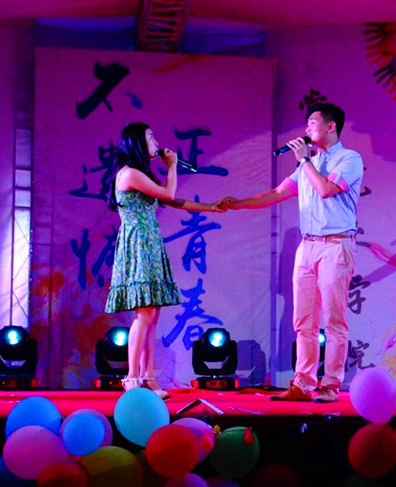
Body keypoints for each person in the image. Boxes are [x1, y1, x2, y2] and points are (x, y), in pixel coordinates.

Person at [221, 103, 363, 402]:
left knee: (334, 321)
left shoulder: (349, 159)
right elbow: (277, 193)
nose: (307, 128)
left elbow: (326, 189)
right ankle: (303, 384)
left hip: (336, 245)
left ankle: (330, 386)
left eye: (312, 122)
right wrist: (239, 203)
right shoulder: (307, 165)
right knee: (304, 321)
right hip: (307, 246)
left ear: (331, 126)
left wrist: (304, 160)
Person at [105, 122, 225, 399]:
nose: (156, 142)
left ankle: (148, 376)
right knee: (144, 313)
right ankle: (131, 376)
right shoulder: (130, 173)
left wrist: (211, 208)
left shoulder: (140, 175)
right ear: (137, 142)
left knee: (153, 314)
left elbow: (171, 201)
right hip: (138, 243)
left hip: (150, 242)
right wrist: (172, 166)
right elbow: (169, 193)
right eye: (150, 137)